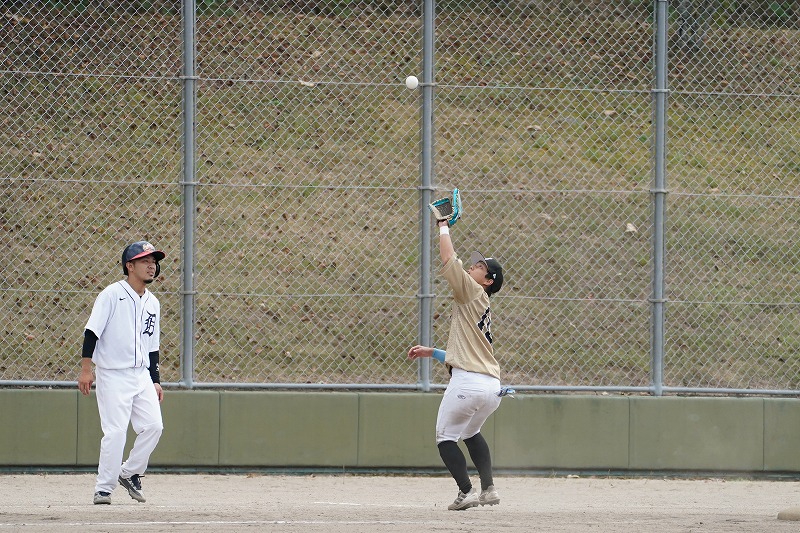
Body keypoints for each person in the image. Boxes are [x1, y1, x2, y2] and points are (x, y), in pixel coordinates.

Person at [408, 217, 507, 511]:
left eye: (480, 266)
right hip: (492, 387)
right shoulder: (481, 302)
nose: (474, 266)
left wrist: (443, 225)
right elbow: (466, 353)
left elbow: (449, 258)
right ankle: (488, 489)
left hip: (468, 383)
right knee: (470, 433)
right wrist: (434, 352)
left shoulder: (472, 291)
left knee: (445, 438)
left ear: (488, 281)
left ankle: (467, 491)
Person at [78, 241, 166, 505]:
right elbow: (91, 332)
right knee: (116, 432)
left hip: (141, 375)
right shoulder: (111, 294)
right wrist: (86, 369)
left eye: (154, 261)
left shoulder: (153, 302)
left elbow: (152, 346)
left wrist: (155, 380)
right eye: (145, 261)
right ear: (130, 266)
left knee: (154, 426)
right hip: (113, 374)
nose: (151, 266)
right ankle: (104, 488)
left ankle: (128, 472)